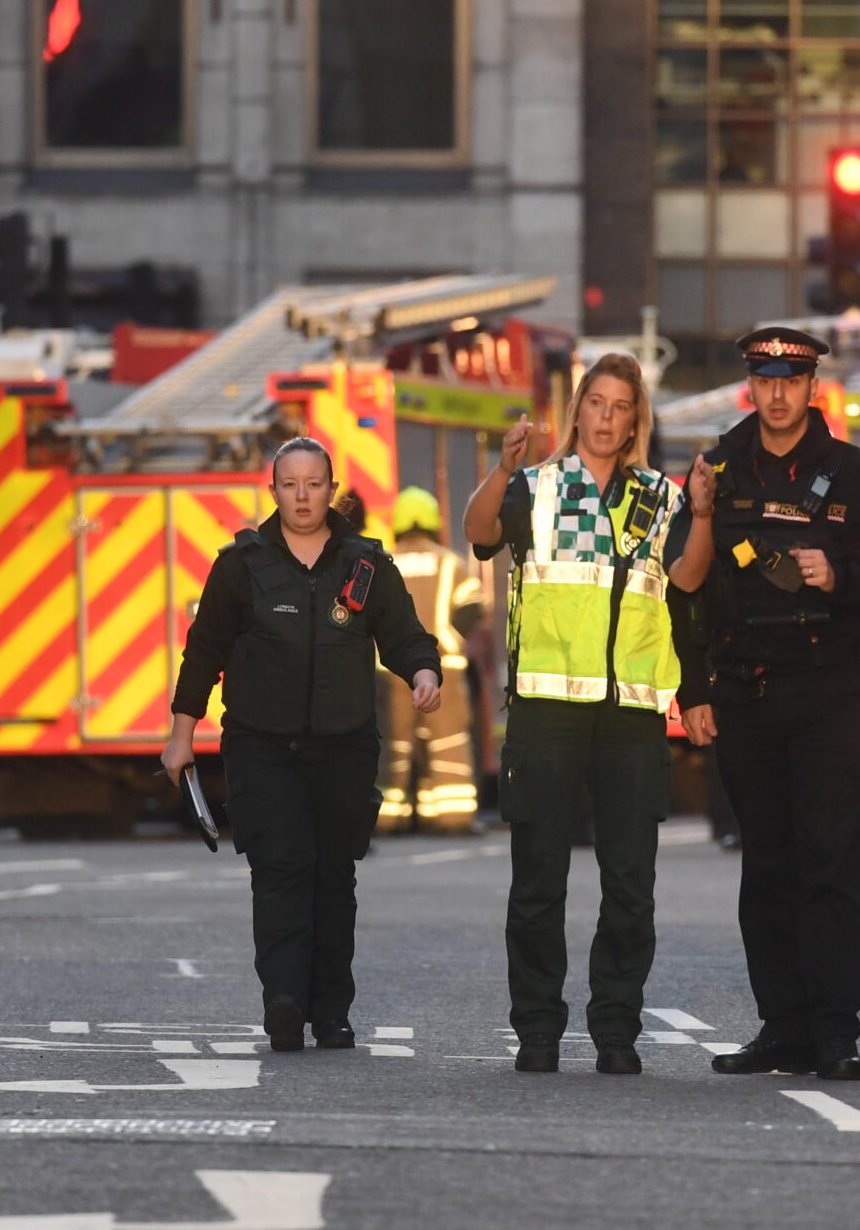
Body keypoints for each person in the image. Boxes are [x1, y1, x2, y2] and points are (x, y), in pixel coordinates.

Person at [678, 326, 860, 1081]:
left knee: (828, 865)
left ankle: (834, 1032)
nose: (778, 393)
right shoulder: (716, 468)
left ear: (813, 385)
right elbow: (684, 587)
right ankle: (780, 1027)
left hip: (827, 694)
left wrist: (840, 572)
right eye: (765, 379)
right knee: (768, 868)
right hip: (746, 692)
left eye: (792, 379)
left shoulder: (857, 473)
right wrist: (693, 690)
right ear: (750, 385)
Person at [465, 353, 713, 1076]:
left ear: (636, 419)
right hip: (546, 709)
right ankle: (537, 1028)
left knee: (630, 883)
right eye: (596, 403)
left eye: (620, 406)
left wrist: (701, 512)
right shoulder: (538, 486)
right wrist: (501, 469)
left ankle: (616, 1028)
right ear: (578, 411)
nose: (606, 417)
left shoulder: (661, 498)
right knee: (538, 878)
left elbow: (690, 578)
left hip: (631, 714)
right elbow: (480, 534)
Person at [164, 437, 443, 1053]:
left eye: (313, 484)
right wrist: (181, 734)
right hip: (262, 749)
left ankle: (332, 1012)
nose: (301, 496)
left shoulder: (366, 565)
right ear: (274, 491)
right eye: (289, 485)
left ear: (330, 486)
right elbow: (203, 651)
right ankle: (284, 1002)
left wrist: (424, 673)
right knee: (282, 871)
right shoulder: (242, 564)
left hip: (343, 751)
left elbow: (406, 636)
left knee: (332, 880)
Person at [384, 487, 486, 833]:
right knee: (446, 743)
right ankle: (450, 817)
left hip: (388, 672)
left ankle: (386, 818)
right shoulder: (449, 563)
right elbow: (473, 607)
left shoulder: (381, 562)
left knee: (391, 746)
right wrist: (453, 640)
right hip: (443, 669)